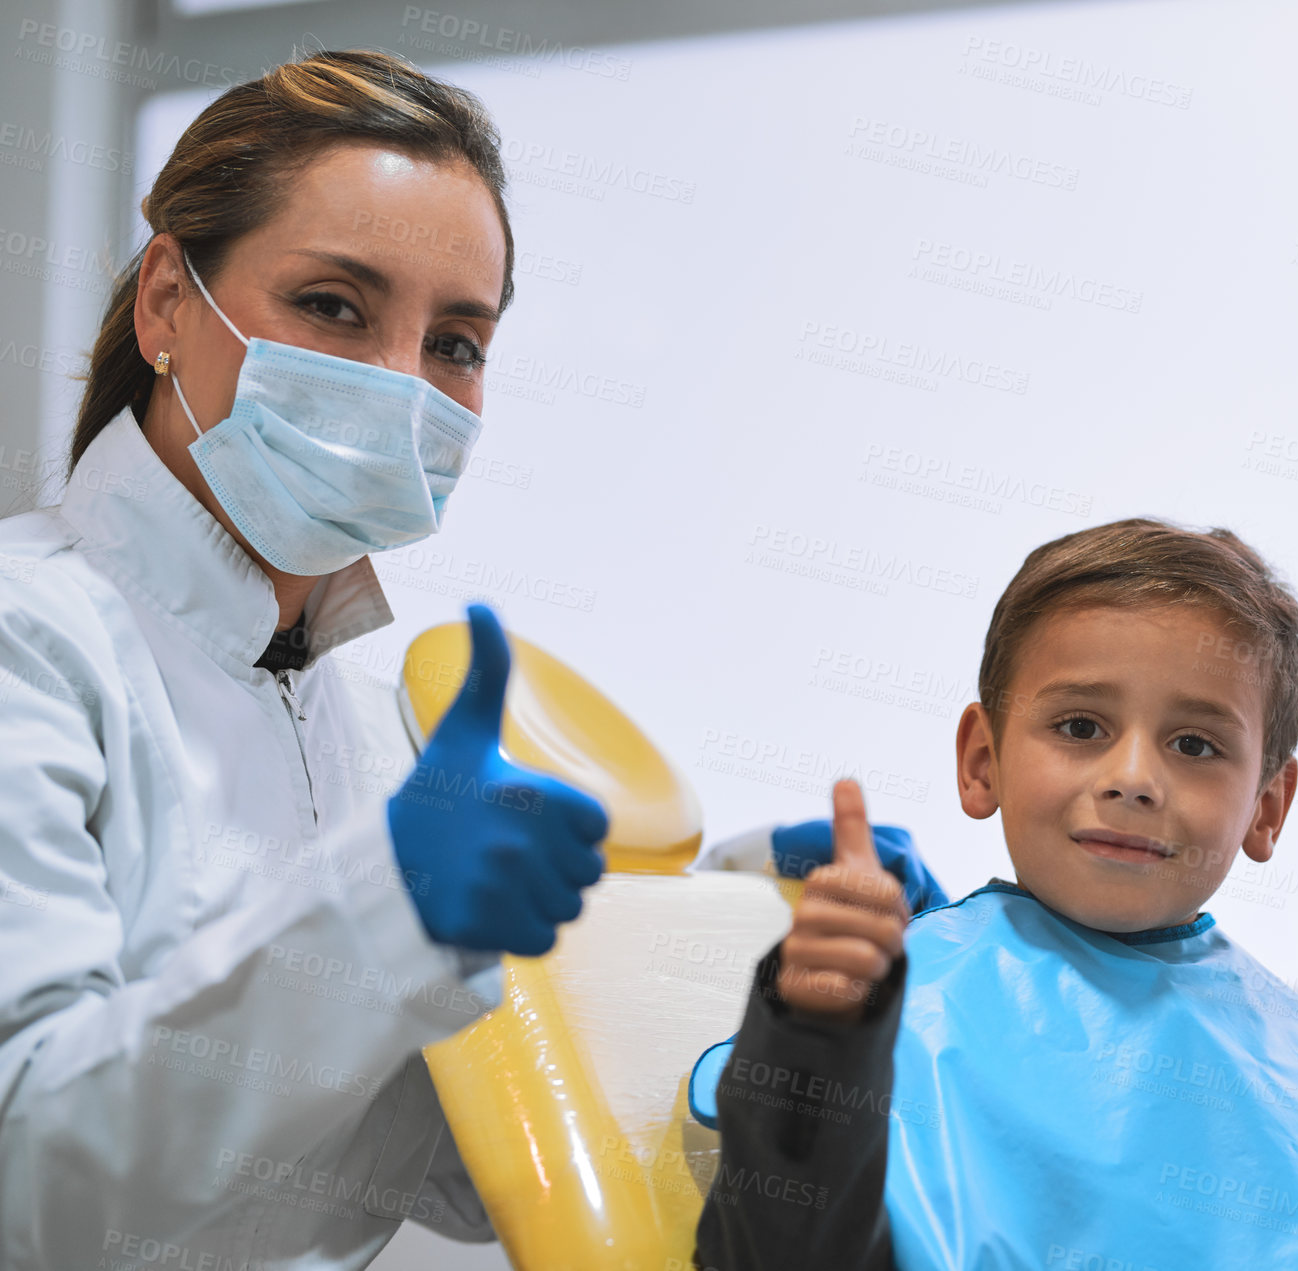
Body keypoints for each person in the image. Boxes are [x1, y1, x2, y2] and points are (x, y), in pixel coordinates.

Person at [0, 48, 950, 1271]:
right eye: (335, 305)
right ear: (168, 304)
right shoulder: (33, 639)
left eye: (455, 341)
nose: (401, 385)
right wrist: (386, 917)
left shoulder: (374, 716)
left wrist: (743, 916)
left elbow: (450, 1159)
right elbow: (29, 1172)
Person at [690, 517, 1298, 1270]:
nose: (1133, 777)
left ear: (1266, 808)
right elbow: (780, 1244)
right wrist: (817, 1036)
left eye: (1194, 745)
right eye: (1080, 726)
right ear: (981, 759)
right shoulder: (902, 1008)